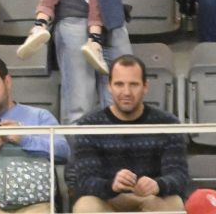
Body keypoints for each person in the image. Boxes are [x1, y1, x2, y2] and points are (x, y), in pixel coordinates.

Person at [68, 57, 190, 212]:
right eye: (119, 84)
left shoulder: (168, 124)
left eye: (134, 85)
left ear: (145, 87)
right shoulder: (88, 125)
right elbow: (84, 181)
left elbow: (179, 176)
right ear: (109, 87)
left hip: (152, 197)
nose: (126, 92)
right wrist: (111, 185)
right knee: (86, 206)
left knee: (174, 203)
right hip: (108, 199)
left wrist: (158, 185)